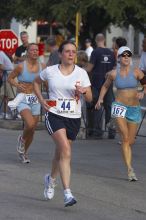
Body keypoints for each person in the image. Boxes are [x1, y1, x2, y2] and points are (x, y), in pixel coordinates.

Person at [33, 40, 92, 207]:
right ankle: (67, 193)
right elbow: (36, 82)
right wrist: (41, 100)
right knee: (66, 150)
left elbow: (90, 98)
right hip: (54, 114)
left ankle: (50, 179)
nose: (71, 54)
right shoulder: (50, 71)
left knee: (61, 153)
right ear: (60, 54)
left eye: (73, 51)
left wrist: (84, 91)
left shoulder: (81, 73)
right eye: (67, 51)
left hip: (73, 117)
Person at [95, 46, 146, 181]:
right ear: (119, 58)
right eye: (123, 55)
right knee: (124, 138)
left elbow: (145, 84)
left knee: (131, 141)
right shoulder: (113, 73)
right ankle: (130, 169)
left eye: (128, 55)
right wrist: (100, 99)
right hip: (119, 106)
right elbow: (105, 86)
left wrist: (142, 91)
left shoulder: (137, 72)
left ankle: (113, 124)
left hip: (134, 108)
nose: (126, 57)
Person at [7, 43, 45, 163]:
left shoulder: (42, 66)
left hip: (36, 98)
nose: (35, 52)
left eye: (36, 50)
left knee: (32, 129)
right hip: (23, 98)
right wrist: (18, 85)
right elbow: (10, 78)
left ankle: (24, 153)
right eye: (32, 50)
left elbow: (47, 81)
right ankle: (22, 140)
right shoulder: (20, 66)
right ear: (27, 52)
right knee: (29, 124)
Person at [86, 33, 116, 139]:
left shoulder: (95, 52)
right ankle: (111, 131)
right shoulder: (111, 53)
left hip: (97, 83)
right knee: (109, 107)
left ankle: (98, 131)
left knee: (97, 105)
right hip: (108, 83)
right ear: (104, 40)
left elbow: (89, 69)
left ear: (96, 40)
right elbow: (114, 68)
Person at [0, 50, 15, 118]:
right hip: (6, 77)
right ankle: (6, 113)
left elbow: (1, 67)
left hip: (10, 77)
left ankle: (13, 114)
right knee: (3, 95)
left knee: (10, 96)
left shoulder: (0, 54)